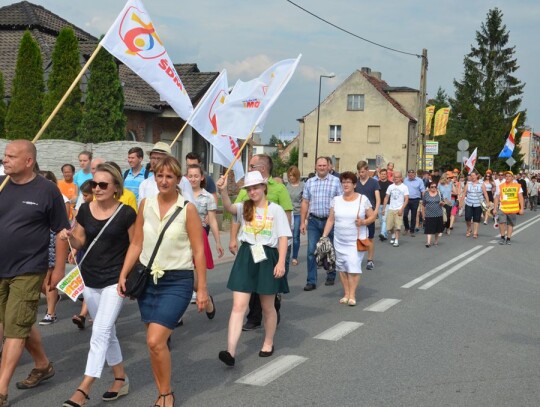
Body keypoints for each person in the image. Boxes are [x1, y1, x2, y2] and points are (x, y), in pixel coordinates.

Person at [118, 156, 208, 407]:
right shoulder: (145, 204)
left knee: (155, 340)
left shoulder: (187, 208)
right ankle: (162, 392)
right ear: (154, 177)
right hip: (147, 279)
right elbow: (136, 242)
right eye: (160, 175)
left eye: (169, 176)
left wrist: (201, 288)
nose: (164, 180)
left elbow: (198, 251)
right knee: (154, 345)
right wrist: (123, 273)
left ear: (178, 180)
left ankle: (166, 394)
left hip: (176, 280)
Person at [59, 163, 136, 407]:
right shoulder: (84, 209)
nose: (98, 188)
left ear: (115, 188)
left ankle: (84, 388)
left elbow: (136, 246)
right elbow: (80, 240)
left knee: (100, 331)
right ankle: (121, 378)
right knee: (108, 332)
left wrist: (126, 275)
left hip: (115, 281)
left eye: (103, 184)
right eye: (95, 184)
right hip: (89, 280)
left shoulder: (126, 213)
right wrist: (69, 236)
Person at [0, 140, 70, 407]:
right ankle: (42, 365)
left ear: (28, 161)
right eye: (4, 156)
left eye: (11, 156)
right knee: (17, 320)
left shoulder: (47, 190)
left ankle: (2, 388)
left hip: (28, 269)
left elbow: (62, 232)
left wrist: (59, 270)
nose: (5, 160)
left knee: (14, 328)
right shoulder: (1, 184)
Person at [217, 171, 291, 366]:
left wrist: (281, 262)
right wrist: (223, 191)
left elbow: (283, 237)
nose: (252, 191)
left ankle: (268, 342)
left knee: (268, 306)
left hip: (268, 256)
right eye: (249, 189)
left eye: (256, 187)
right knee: (238, 306)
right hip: (247, 255)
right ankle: (230, 351)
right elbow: (228, 207)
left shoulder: (275, 210)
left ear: (264, 187)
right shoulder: (244, 207)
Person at [231, 154, 292, 331]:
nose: (249, 168)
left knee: (266, 290)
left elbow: (285, 218)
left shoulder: (279, 189)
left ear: (262, 168)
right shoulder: (247, 191)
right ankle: (254, 317)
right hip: (251, 245)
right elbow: (236, 214)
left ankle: (271, 308)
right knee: (250, 285)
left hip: (269, 245)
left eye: (252, 166)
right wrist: (234, 238)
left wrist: (283, 250)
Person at [322, 172, 375, 306]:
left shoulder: (362, 199)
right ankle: (346, 293)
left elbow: (372, 216)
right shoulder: (336, 200)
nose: (345, 184)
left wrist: (363, 222)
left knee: (353, 266)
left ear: (354, 184)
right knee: (342, 267)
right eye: (343, 182)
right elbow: (331, 219)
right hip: (340, 240)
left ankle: (352, 294)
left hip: (356, 240)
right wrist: (324, 236)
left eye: (348, 182)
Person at [186, 163, 223, 317]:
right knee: (181, 277)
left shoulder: (207, 197)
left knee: (196, 280)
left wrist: (218, 242)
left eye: (196, 176)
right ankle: (177, 315)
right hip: (181, 237)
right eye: (190, 176)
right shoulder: (180, 193)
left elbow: (213, 221)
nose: (193, 179)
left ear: (201, 178)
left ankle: (207, 300)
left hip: (198, 237)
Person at [300, 157, 342, 290]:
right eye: (320, 165)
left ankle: (331, 274)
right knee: (311, 251)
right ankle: (311, 280)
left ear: (329, 166)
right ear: (315, 166)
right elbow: (305, 202)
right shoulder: (309, 182)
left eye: (324, 165)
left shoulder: (336, 182)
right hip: (313, 221)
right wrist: (302, 222)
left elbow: (340, 201)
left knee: (330, 249)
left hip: (330, 221)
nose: (322, 167)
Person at [37, 171, 70, 327]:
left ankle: (51, 313)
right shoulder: (35, 196)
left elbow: (63, 224)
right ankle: (53, 298)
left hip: (52, 240)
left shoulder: (59, 199)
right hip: (37, 243)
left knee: (49, 279)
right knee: (38, 280)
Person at [354, 161, 380, 270]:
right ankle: (356, 259)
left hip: (370, 214)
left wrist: (375, 211)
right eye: (359, 172)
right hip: (358, 215)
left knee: (369, 238)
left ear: (367, 170)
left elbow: (378, 199)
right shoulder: (355, 183)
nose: (361, 174)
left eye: (363, 172)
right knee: (356, 237)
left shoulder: (373, 182)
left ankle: (370, 260)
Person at [494, 171, 524, 245]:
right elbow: (497, 197)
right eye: (506, 176)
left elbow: (521, 198)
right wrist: (495, 208)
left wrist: (522, 208)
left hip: (512, 209)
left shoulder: (517, 186)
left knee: (510, 224)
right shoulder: (501, 186)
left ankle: (508, 238)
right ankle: (502, 237)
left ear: (512, 177)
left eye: (509, 176)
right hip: (503, 208)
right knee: (501, 223)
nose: (507, 177)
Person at [382, 171, 409, 247]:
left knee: (398, 226)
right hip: (391, 208)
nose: (395, 178)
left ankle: (396, 240)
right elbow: (386, 197)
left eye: (397, 177)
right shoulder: (391, 186)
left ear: (401, 178)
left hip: (399, 209)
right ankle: (393, 234)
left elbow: (406, 199)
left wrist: (402, 209)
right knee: (389, 227)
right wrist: (384, 208)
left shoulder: (404, 187)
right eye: (394, 177)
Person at [460, 171, 489, 238]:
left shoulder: (481, 184)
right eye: (471, 176)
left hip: (478, 204)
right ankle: (469, 228)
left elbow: (485, 194)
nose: (472, 177)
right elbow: (464, 194)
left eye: (473, 175)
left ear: (477, 176)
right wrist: (461, 203)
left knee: (476, 218)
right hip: (469, 203)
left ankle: (475, 232)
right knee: (467, 217)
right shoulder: (468, 184)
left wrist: (487, 202)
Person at [285, 165, 304, 266]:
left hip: (297, 213)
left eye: (292, 175)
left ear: (297, 175)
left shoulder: (302, 186)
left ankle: (295, 257)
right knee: (287, 235)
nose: (291, 177)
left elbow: (305, 201)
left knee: (295, 236)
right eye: (289, 175)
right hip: (287, 213)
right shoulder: (286, 186)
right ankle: (285, 254)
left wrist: (304, 218)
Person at [422, 181, 445, 247]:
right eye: (432, 187)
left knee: (437, 229)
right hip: (429, 214)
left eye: (435, 187)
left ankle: (436, 241)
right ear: (429, 188)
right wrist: (423, 214)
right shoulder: (426, 194)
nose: (434, 188)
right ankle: (428, 242)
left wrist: (442, 203)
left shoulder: (439, 193)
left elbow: (443, 202)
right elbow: (423, 204)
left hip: (438, 214)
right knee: (429, 228)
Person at [402, 169, 425, 237]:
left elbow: (422, 191)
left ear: (415, 174)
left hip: (416, 200)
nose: (410, 176)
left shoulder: (419, 180)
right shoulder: (405, 180)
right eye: (409, 175)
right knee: (405, 215)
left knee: (413, 216)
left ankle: (412, 230)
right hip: (406, 200)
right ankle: (406, 228)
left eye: (412, 175)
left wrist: (423, 199)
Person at [377, 168, 392, 241]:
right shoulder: (377, 183)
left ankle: (382, 233)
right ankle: (385, 235)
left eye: (384, 174)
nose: (383, 175)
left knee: (384, 219)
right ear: (380, 175)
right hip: (379, 204)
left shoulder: (390, 184)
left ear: (387, 175)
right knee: (381, 220)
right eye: (382, 174)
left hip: (387, 204)